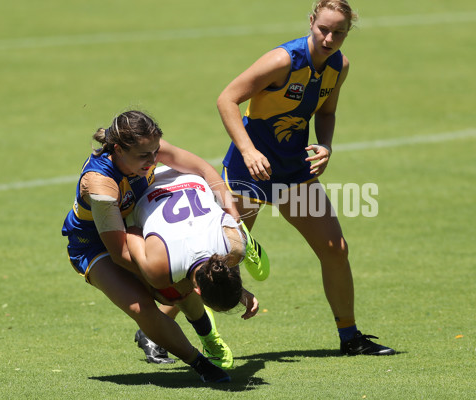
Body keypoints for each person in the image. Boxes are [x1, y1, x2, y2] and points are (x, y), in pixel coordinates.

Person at [216, 0, 395, 355]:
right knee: (223, 257)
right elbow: (227, 99)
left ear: (347, 33)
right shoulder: (283, 60)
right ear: (311, 22)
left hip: (294, 171)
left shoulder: (339, 67)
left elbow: (326, 111)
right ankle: (157, 328)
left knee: (335, 249)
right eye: (323, 29)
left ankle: (350, 337)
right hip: (248, 171)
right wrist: (249, 151)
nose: (329, 38)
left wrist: (326, 145)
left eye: (338, 32)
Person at [61, 110, 265, 383]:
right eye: (144, 156)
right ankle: (200, 363)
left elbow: (203, 169)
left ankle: (209, 338)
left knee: (177, 282)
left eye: (155, 151)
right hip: (95, 243)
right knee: (143, 306)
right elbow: (120, 253)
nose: (153, 160)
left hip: (136, 226)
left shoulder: (149, 148)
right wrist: (167, 280)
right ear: (119, 150)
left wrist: (232, 214)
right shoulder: (100, 184)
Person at [126, 166, 264, 369]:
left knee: (178, 280)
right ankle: (205, 338)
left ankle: (202, 338)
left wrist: (237, 289)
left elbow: (229, 216)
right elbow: (132, 232)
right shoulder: (158, 270)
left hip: (188, 175)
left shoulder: (234, 248)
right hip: (143, 184)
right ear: (197, 291)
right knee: (175, 290)